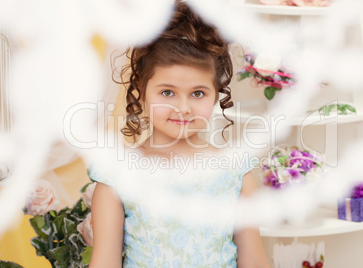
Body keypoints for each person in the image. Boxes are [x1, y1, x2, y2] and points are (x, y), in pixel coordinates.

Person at [89, 1, 270, 267]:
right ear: (142, 87)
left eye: (198, 93)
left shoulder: (235, 170)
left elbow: (254, 259)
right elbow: (105, 261)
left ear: (216, 93)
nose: (183, 108)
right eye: (167, 92)